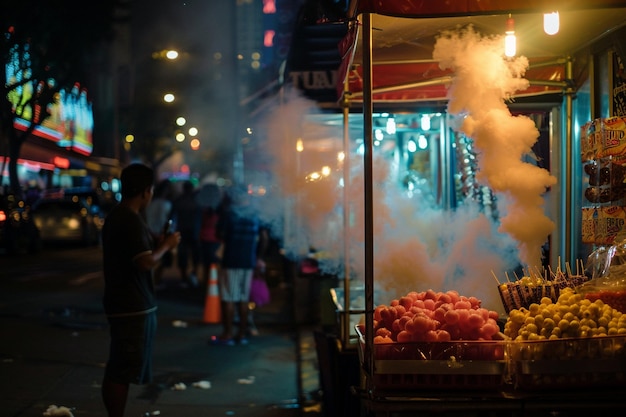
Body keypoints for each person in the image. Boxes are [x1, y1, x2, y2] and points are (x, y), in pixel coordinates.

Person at [101, 163, 181, 417]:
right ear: (146, 191)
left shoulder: (127, 217)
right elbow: (145, 261)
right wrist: (167, 245)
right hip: (130, 306)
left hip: (132, 304)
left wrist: (156, 241)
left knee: (122, 366)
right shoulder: (128, 220)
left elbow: (140, 251)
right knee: (121, 369)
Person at [210, 187, 264, 346]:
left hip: (232, 260)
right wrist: (258, 257)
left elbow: (219, 234)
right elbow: (264, 237)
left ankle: (227, 334)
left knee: (228, 298)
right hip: (248, 261)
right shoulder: (254, 215)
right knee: (243, 298)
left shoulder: (230, 214)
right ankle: (241, 334)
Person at [170, 180, 202, 287]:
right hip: (194, 232)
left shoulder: (179, 200)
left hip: (182, 231)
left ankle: (184, 278)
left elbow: (171, 216)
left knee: (183, 255)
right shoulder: (197, 201)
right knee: (195, 255)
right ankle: (194, 275)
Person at [144, 179, 173, 287]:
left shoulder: (151, 203)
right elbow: (164, 221)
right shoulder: (166, 204)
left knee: (153, 259)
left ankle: (153, 281)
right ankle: (155, 281)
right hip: (160, 235)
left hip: (150, 234)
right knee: (160, 260)